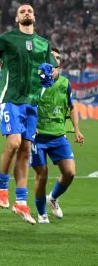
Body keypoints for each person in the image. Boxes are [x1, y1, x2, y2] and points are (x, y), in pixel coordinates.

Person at [0, 5, 58, 224]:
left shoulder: (43, 43)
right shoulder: (7, 39)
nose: (27, 13)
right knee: (13, 143)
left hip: (32, 103)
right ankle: (2, 186)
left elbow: (54, 68)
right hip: (11, 99)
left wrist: (51, 75)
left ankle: (20, 202)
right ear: (16, 18)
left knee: (24, 152)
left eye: (29, 10)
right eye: (22, 11)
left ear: (34, 16)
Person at [30, 48, 84, 223]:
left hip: (59, 135)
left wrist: (76, 130)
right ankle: (41, 213)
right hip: (38, 138)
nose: (56, 60)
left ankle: (52, 198)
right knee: (42, 175)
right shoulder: (36, 84)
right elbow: (27, 107)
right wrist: (30, 126)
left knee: (70, 173)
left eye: (58, 57)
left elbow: (72, 107)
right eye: (52, 57)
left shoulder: (65, 83)